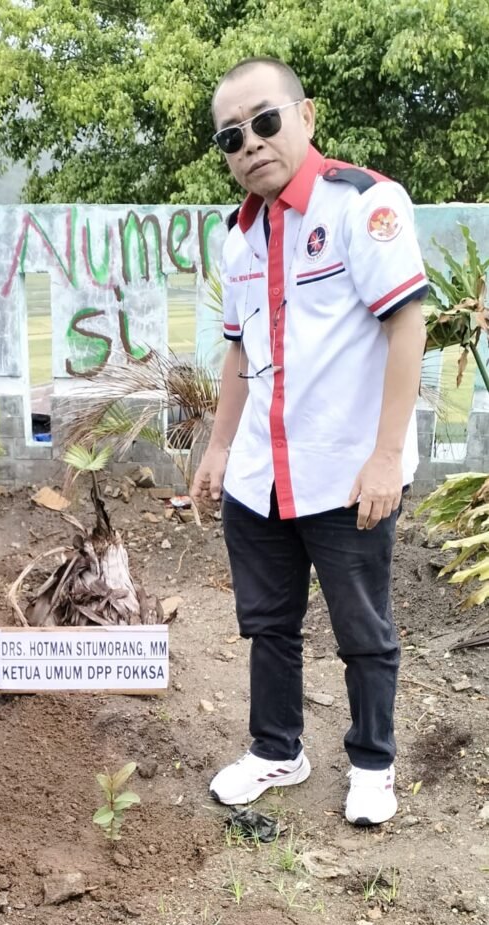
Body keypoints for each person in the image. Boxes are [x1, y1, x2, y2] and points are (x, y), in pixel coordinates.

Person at [192, 58, 428, 826]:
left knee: (362, 628)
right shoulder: (237, 236)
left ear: (306, 116)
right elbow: (238, 351)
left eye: (264, 121)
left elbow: (406, 327)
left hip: (344, 473)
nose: (250, 144)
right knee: (268, 625)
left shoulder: (362, 204)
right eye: (231, 136)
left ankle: (371, 763)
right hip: (259, 474)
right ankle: (275, 750)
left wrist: (386, 457)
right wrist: (219, 449)